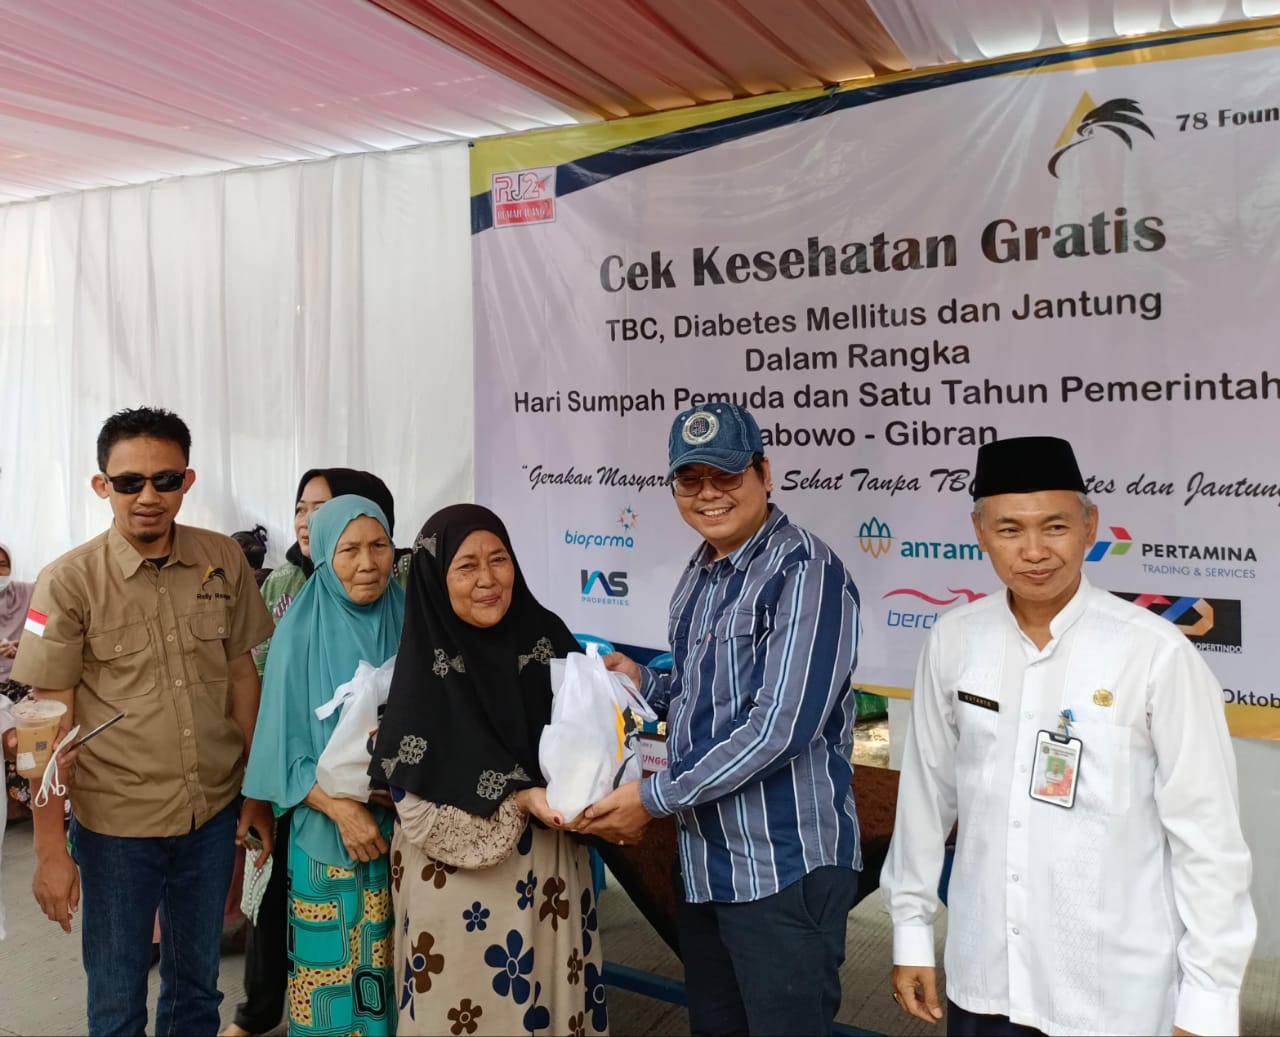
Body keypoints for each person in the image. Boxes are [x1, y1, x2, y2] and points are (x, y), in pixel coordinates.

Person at [880, 436, 1257, 1037]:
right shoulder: (956, 638)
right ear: (980, 533)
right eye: (1010, 530)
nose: (1034, 551)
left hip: (1114, 993)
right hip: (987, 976)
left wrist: (1207, 1003)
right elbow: (926, 796)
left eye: (1054, 526)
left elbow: (1207, 838)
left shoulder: (1154, 653)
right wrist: (911, 930)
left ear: (1090, 527)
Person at [584, 403, 863, 1036]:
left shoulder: (806, 573)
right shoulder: (702, 571)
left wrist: (651, 799)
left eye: (727, 475)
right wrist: (644, 683)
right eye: (691, 479)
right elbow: (701, 692)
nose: (708, 493)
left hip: (781, 869)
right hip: (706, 865)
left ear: (765, 473)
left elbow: (778, 728)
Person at [9, 405, 276, 1036]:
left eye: (165, 479)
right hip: (115, 827)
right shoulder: (68, 582)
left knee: (197, 992)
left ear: (188, 481)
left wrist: (256, 794)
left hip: (210, 815)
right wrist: (49, 850)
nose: (148, 496)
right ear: (102, 485)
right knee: (117, 999)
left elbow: (242, 676)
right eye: (129, 482)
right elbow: (44, 724)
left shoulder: (221, 560)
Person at [370, 504, 608, 1036]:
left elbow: (593, 744)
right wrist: (520, 797)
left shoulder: (546, 637)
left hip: (549, 877)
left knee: (547, 1004)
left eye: (499, 559)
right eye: (466, 566)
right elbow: (417, 808)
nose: (487, 579)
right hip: (455, 887)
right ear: (436, 578)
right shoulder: (424, 669)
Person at [226, 466, 405, 1037]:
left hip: (404, 838)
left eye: (379, 546)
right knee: (331, 983)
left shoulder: (411, 620)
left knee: (394, 976)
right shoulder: (298, 634)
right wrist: (341, 809)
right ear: (325, 555)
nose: (367, 563)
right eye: (349, 550)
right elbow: (278, 751)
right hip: (327, 841)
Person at [0, 542, 37, 820]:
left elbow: (43, 628)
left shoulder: (27, 593)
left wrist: (22, 647)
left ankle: (40, 797)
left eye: (2, 565)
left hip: (25, 678)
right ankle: (16, 802)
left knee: (37, 723)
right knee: (10, 733)